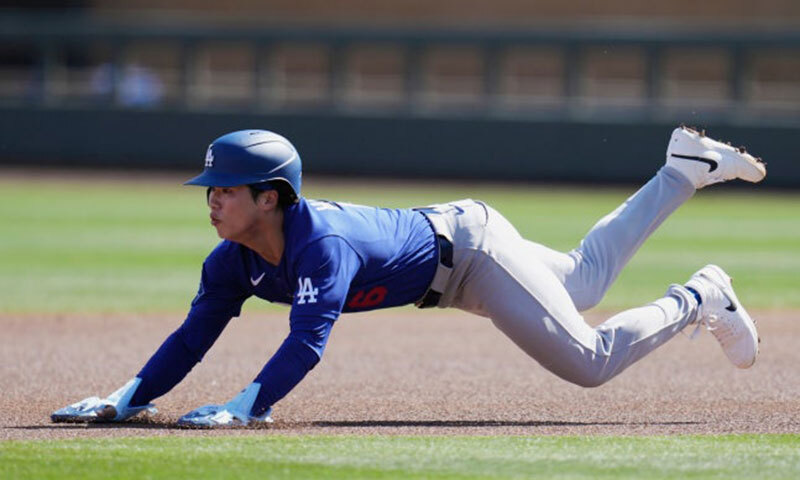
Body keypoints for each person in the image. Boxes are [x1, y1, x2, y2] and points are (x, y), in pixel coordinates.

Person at [52, 126, 766, 427]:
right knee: (584, 278)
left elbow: (306, 343)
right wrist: (124, 400)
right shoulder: (230, 261)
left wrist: (245, 409)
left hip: (472, 257)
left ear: (270, 198)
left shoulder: (320, 246)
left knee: (589, 361)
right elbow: (192, 337)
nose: (211, 200)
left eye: (226, 190)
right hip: (456, 244)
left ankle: (698, 294)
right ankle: (683, 170)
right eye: (210, 189)